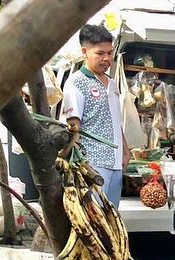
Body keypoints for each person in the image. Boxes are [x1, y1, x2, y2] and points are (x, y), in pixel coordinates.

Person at [61, 24, 130, 208]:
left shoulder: (112, 83)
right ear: (85, 51)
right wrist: (78, 166)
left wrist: (125, 149)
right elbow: (72, 126)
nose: (107, 58)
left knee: (112, 219)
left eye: (109, 52)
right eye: (100, 53)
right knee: (94, 222)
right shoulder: (76, 82)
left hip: (115, 164)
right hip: (93, 164)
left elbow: (115, 120)